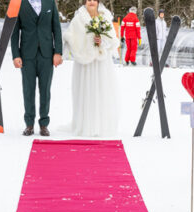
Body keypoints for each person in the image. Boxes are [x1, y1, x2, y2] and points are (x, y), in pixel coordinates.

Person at [63, 0, 119, 137]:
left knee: (101, 91)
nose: (91, 2)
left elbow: (113, 40)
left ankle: (100, 125)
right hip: (85, 64)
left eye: (94, 0)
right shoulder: (78, 19)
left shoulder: (105, 17)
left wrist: (102, 41)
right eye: (88, 0)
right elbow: (70, 37)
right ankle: (85, 124)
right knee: (85, 92)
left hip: (101, 63)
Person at [11, 0, 63, 137]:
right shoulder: (19, 4)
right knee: (28, 90)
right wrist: (15, 55)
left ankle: (44, 124)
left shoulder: (50, 3)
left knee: (45, 90)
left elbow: (56, 28)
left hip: (47, 55)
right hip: (27, 55)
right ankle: (29, 124)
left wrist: (58, 52)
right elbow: (14, 32)